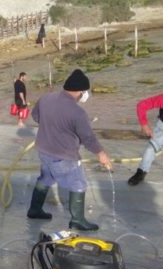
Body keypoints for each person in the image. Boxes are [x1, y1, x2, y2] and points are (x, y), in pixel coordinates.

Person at [27, 69, 112, 231]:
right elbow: (88, 138)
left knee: (45, 178)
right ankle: (78, 220)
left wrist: (52, 126)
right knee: (78, 183)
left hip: (43, 151)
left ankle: (34, 210)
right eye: (85, 92)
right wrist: (101, 154)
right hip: (64, 156)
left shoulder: (46, 98)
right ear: (81, 92)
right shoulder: (78, 112)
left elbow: (35, 116)